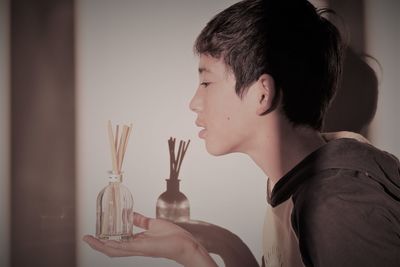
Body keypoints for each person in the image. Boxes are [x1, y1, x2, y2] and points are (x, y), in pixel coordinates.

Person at [84, 0, 400, 266]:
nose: (194, 103)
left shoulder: (336, 206)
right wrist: (223, 243)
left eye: (206, 82)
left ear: (262, 93)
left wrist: (192, 255)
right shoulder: (296, 184)